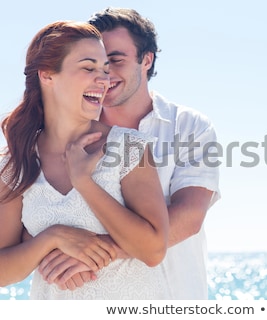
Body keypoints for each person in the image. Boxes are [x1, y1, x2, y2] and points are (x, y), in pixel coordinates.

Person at [38, 7, 221, 299]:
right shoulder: (65, 134)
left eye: (115, 60)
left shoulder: (189, 126)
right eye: (93, 63)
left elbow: (189, 216)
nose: (104, 73)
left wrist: (94, 251)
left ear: (146, 60)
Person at [0, 20, 171, 299]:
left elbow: (153, 250)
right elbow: (3, 272)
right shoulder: (17, 162)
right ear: (47, 75)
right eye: (89, 68)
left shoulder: (128, 147)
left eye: (105, 69)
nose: (103, 80)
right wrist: (52, 237)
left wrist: (84, 182)